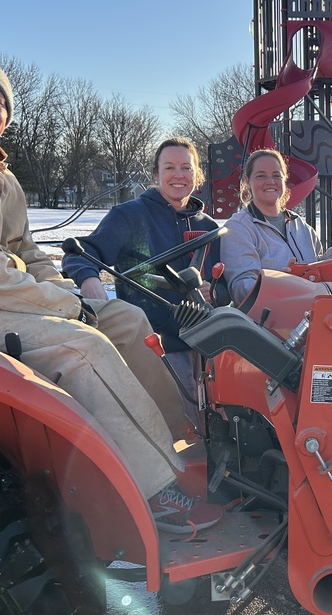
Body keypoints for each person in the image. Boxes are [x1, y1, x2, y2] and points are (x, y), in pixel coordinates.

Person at [0, 48, 218, 534]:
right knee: (82, 346)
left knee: (123, 318)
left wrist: (72, 296)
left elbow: (31, 254)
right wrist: (66, 308)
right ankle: (153, 489)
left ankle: (177, 441)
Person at [61, 137, 221, 428]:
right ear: (156, 174)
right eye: (169, 167)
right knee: (174, 427)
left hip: (207, 348)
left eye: (186, 168)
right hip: (158, 348)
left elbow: (224, 284)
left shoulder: (208, 227)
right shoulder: (130, 216)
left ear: (197, 176)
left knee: (217, 427)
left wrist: (214, 291)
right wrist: (89, 280)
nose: (178, 175)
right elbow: (80, 255)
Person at [220, 148, 332, 305]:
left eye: (276, 175)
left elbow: (319, 270)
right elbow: (240, 289)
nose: (270, 181)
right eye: (261, 176)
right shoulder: (238, 228)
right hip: (270, 324)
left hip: (314, 314)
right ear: (247, 181)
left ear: (284, 180)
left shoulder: (299, 224)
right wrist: (274, 283)